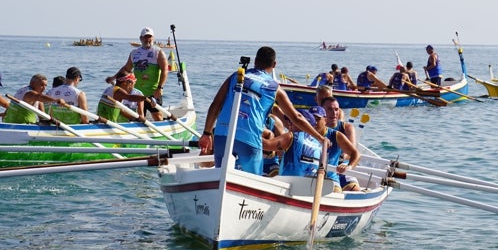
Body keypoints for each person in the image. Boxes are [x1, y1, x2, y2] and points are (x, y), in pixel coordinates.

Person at [198, 46, 326, 175]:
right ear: (274, 64)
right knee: (253, 180)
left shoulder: (236, 76)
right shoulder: (274, 88)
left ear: (255, 61)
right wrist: (320, 138)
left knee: (220, 174)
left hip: (223, 134)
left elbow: (216, 104)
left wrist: (207, 133)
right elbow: (296, 117)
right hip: (249, 138)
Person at [106, 27, 168, 121]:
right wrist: (113, 77)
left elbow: (165, 70)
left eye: (150, 37)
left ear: (153, 38)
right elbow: (126, 68)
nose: (148, 39)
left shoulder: (158, 52)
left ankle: (161, 132)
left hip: (152, 92)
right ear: (141, 38)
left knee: (157, 116)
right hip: (137, 93)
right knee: (138, 116)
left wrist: (160, 88)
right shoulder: (134, 53)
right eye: (145, 37)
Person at [321, 97, 361, 191]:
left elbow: (351, 153)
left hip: (341, 167)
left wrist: (346, 164)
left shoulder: (345, 128)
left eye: (336, 109)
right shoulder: (314, 127)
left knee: (354, 190)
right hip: (322, 167)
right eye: (329, 109)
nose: (334, 113)